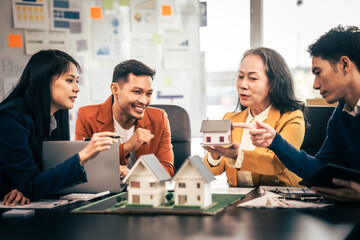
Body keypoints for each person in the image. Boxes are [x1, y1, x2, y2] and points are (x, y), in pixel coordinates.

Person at [239, 26, 360, 202]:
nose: (315, 85)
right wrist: (275, 142)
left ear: (344, 65)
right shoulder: (342, 115)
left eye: (318, 73)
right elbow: (319, 170)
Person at [0, 50, 118, 206]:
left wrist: (21, 187)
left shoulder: (56, 115)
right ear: (44, 80)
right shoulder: (12, 119)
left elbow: (43, 173)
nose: (77, 88)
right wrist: (84, 155)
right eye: (69, 81)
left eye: (77, 81)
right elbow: (31, 185)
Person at [202, 47, 306, 187]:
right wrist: (215, 153)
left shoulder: (291, 118)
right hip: (239, 201)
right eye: (240, 76)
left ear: (273, 84)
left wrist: (236, 155)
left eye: (252, 78)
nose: (243, 85)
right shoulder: (230, 119)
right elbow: (211, 171)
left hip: (280, 201)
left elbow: (277, 163)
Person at [75, 59, 174, 178]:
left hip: (145, 192)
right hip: (104, 193)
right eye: (137, 92)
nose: (144, 101)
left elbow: (167, 169)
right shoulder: (87, 116)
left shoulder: (159, 119)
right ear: (115, 89)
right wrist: (127, 147)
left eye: (148, 94)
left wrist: (134, 176)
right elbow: (81, 167)